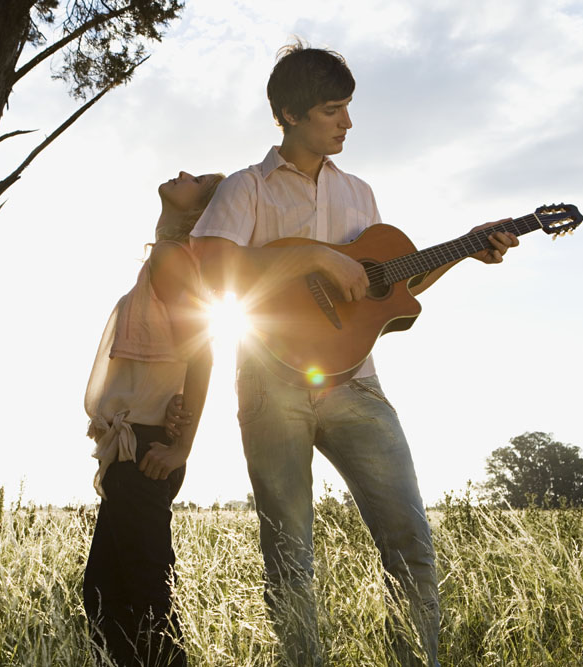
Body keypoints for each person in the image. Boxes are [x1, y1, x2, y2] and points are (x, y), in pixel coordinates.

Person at [187, 44, 519, 666]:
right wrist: (313, 255)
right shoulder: (246, 189)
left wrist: (467, 249)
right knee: (290, 555)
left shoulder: (360, 194)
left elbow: (388, 292)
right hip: (270, 383)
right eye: (332, 110)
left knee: (411, 543)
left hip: (358, 386)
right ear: (288, 114)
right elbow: (213, 271)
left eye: (348, 108)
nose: (346, 122)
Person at [82, 170, 224, 667]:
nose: (183, 173)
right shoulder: (164, 258)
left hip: (145, 450)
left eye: (196, 178)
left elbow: (202, 350)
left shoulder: (171, 257)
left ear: (197, 208)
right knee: (104, 596)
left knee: (146, 604)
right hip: (134, 446)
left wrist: (182, 446)